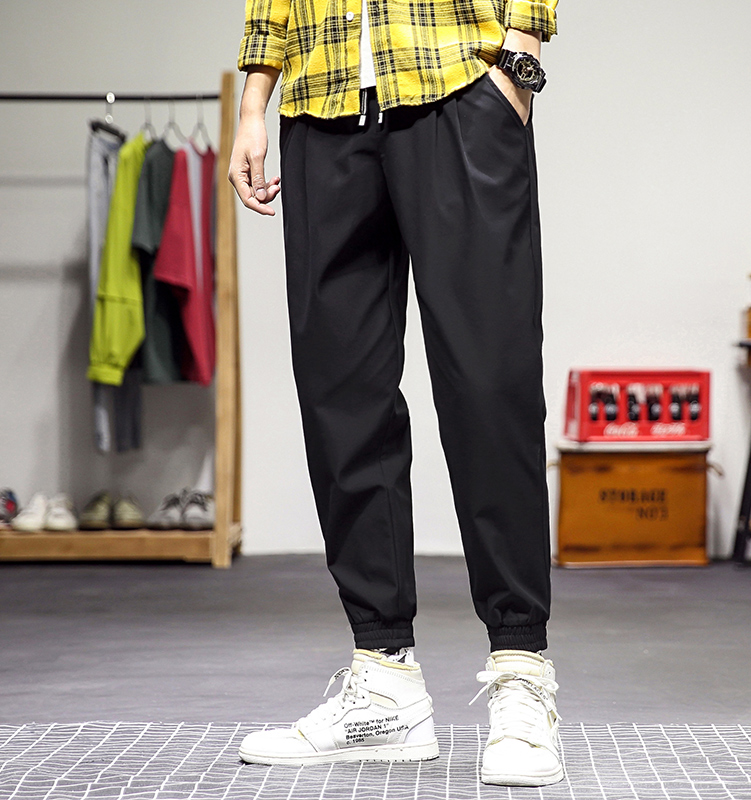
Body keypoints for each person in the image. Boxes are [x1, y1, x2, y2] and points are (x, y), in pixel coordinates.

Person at [228, 0, 562, 787]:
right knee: (341, 395)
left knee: (490, 387)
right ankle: (383, 685)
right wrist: (254, 100)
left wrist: (518, 59)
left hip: (456, 82)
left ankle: (521, 672)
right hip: (323, 100)